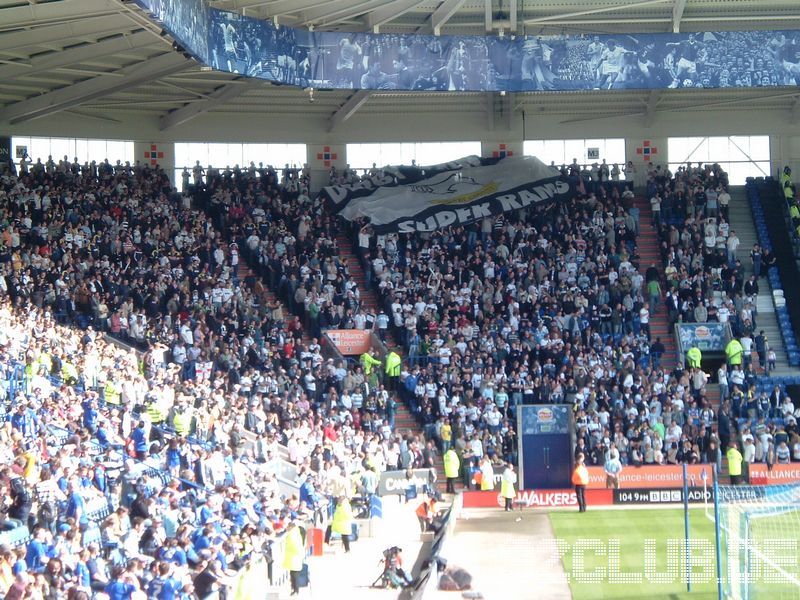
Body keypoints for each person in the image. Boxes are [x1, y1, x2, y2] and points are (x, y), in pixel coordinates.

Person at [283, 521, 305, 596]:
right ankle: (294, 589)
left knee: (294, 575)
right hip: (294, 557)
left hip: (294, 557)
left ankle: (296, 590)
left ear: (290, 527)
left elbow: (293, 546)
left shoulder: (292, 534)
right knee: (293, 574)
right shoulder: (295, 532)